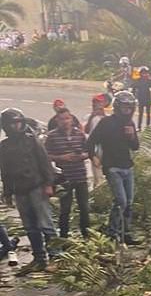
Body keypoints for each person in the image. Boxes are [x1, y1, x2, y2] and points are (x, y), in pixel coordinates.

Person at [0, 108, 58, 274]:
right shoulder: (4, 146)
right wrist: (7, 193)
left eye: (19, 122)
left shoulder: (31, 140)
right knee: (30, 227)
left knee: (46, 224)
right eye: (13, 123)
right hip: (20, 191)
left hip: (36, 187)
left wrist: (48, 183)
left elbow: (44, 162)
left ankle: (56, 257)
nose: (17, 126)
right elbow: (5, 171)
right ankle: (39, 258)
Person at [87, 91, 140, 245]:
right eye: (125, 107)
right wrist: (94, 157)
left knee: (129, 202)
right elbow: (91, 141)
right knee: (121, 201)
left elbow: (135, 146)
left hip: (127, 166)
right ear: (118, 107)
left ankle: (126, 233)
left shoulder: (130, 124)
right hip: (112, 167)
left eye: (130, 107)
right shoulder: (106, 123)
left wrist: (131, 136)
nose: (127, 110)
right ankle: (113, 232)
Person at [45, 108, 90, 238]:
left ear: (71, 119)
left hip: (80, 176)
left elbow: (89, 152)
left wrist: (81, 156)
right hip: (64, 178)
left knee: (84, 208)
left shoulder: (79, 134)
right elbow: (45, 155)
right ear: (57, 121)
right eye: (62, 119)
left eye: (67, 118)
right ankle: (64, 236)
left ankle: (87, 235)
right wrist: (62, 158)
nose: (65, 121)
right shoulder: (52, 136)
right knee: (65, 209)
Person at [84, 94, 107, 189]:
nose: (97, 104)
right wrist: (93, 156)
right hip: (97, 151)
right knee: (99, 181)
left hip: (106, 151)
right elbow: (89, 135)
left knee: (103, 179)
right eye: (95, 102)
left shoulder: (106, 118)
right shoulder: (93, 118)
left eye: (99, 102)